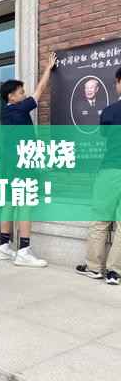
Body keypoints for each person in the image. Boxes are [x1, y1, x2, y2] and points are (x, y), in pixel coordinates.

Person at [0, 52, 57, 267]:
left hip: (9, 167)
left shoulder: (6, 113)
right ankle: (23, 251)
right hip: (22, 167)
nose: (24, 95)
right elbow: (39, 93)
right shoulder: (18, 109)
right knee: (25, 206)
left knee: (9, 204)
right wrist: (48, 69)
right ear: (11, 97)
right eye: (21, 92)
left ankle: (4, 248)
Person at [76, 67, 121, 285]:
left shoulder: (110, 111)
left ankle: (94, 267)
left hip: (111, 169)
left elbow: (104, 135)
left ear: (119, 82)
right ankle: (115, 272)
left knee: (100, 219)